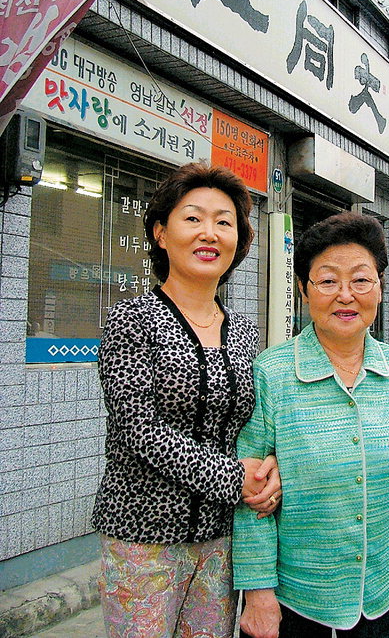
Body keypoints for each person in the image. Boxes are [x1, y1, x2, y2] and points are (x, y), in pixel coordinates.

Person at [92, 163, 282, 638]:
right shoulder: (131, 319)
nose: (210, 232)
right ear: (160, 233)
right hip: (143, 536)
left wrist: (270, 468)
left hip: (220, 538)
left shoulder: (241, 331)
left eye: (224, 221)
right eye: (193, 218)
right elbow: (141, 429)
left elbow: (251, 424)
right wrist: (234, 478)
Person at [233, 212, 389, 638]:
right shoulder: (272, 374)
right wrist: (258, 593)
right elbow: (251, 495)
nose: (346, 295)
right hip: (297, 603)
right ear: (305, 292)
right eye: (327, 281)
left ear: (379, 289)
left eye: (361, 280)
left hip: (386, 591)